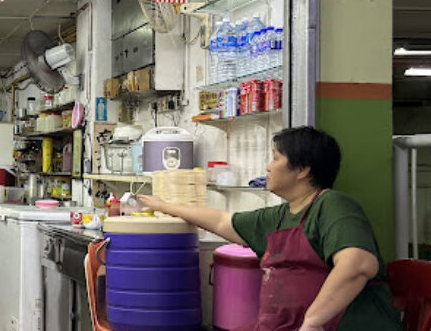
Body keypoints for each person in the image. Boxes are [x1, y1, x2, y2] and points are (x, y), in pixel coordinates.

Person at [135, 126, 401, 331]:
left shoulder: (332, 205)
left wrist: (312, 322)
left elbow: (357, 265)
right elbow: (221, 221)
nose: (267, 166)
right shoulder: (279, 216)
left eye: (275, 158)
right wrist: (167, 206)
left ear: (302, 169)